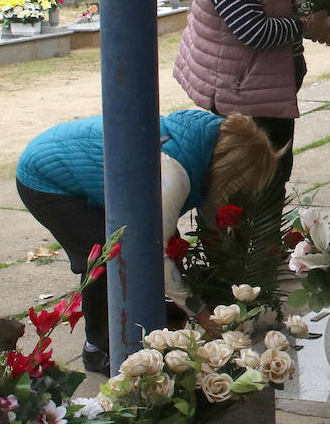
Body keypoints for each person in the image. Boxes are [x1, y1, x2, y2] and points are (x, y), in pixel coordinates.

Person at [15, 110, 280, 374]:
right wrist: (201, 315)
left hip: (70, 158)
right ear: (229, 170)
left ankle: (141, 324)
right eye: (239, 185)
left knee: (132, 253)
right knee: (107, 259)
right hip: (46, 177)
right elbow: (155, 253)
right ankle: (97, 348)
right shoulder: (173, 173)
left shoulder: (203, 138)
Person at [174, 0, 330, 220]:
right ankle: (236, 268)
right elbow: (253, 31)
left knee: (271, 180)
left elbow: (275, 5)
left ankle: (263, 260)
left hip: (265, 89)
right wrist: (307, 26)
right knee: (242, 189)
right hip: (244, 94)